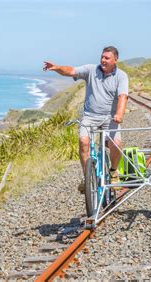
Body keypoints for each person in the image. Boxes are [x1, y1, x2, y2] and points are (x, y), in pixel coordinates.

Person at [43, 46, 129, 193]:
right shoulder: (91, 70)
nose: (103, 60)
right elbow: (71, 71)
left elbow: (123, 97)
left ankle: (114, 171)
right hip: (90, 116)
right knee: (83, 142)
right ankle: (87, 177)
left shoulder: (121, 76)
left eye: (107, 58)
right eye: (102, 57)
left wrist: (119, 115)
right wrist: (57, 68)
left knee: (117, 143)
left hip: (110, 117)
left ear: (115, 60)